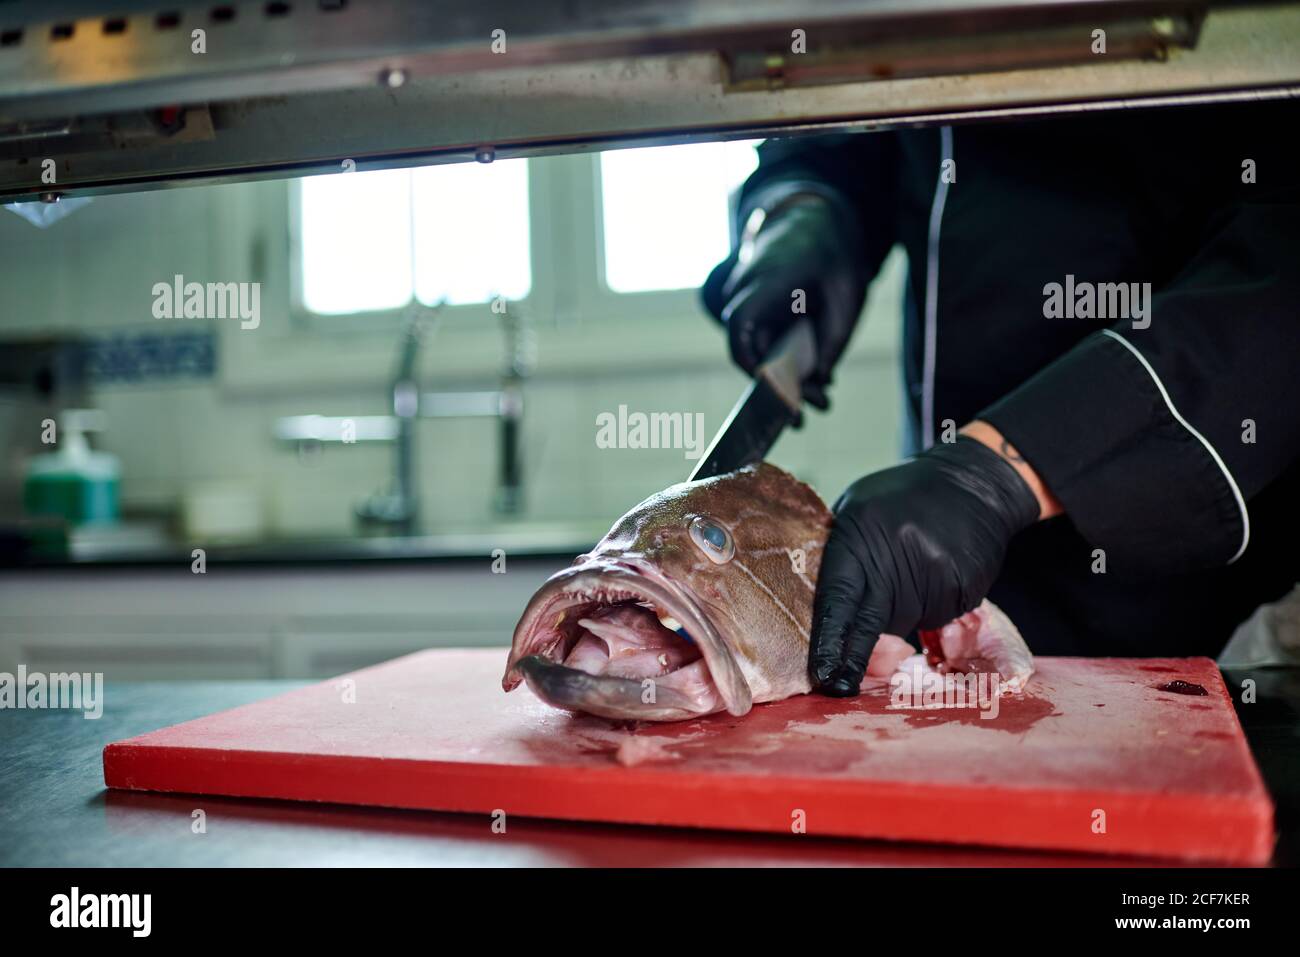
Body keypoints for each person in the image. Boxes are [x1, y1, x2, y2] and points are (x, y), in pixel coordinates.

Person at [701, 100, 1299, 696]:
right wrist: (805, 209)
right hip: (943, 541)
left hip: (1199, 571)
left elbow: (1282, 280)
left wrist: (998, 474)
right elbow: (860, 123)